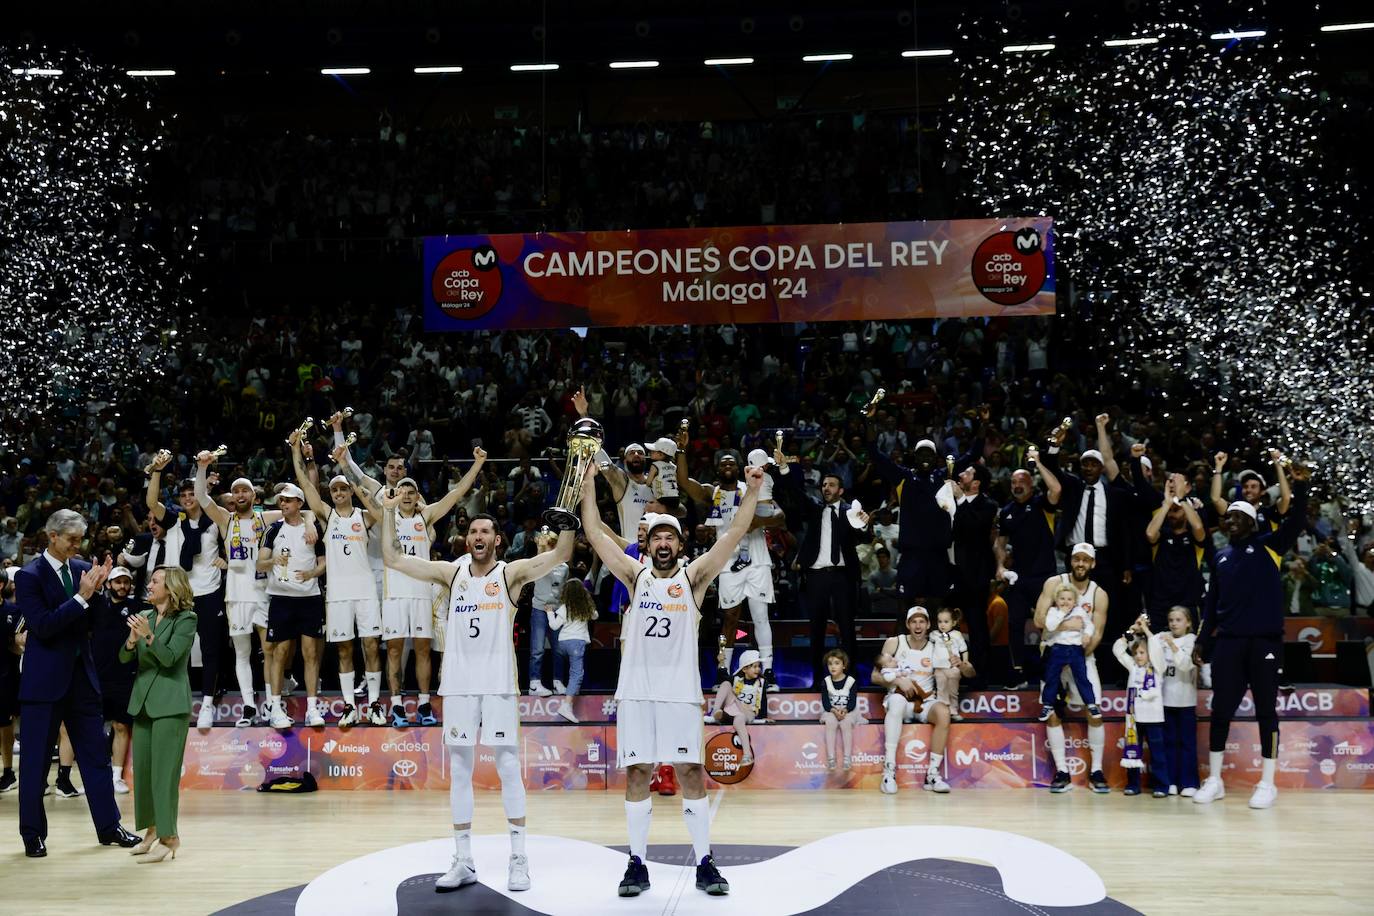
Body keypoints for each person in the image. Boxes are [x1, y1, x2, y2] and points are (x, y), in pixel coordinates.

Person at [582, 462, 766, 899]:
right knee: (637, 772)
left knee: (689, 772)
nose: (663, 543)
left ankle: (704, 860)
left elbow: (734, 534)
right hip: (637, 694)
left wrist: (753, 491)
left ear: (680, 544)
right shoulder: (634, 574)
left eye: (670, 536)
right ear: (646, 544)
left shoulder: (694, 577)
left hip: (681, 694)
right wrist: (588, 484)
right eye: (656, 537)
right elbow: (593, 531)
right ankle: (637, 863)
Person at [378, 492, 573, 895]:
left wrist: (568, 520)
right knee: (461, 771)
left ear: (497, 539)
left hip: (498, 684)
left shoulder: (511, 573)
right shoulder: (452, 573)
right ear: (466, 539)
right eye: (472, 531)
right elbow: (394, 559)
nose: (478, 535)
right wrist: (387, 510)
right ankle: (463, 860)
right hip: (460, 685)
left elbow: (557, 556)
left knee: (506, 768)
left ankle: (518, 858)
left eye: (486, 530)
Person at [15, 509, 140, 858]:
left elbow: (99, 623)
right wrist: (82, 598)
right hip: (43, 683)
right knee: (36, 763)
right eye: (71, 539)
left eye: (80, 539)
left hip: (82, 680)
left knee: (96, 757)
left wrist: (98, 592)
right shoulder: (30, 575)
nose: (77, 545)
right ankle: (32, 834)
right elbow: (41, 626)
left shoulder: (84, 570)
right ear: (51, 536)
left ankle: (109, 826)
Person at [1193, 460, 1309, 809]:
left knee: (1265, 711)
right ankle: (1214, 780)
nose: (1229, 521)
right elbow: (1211, 606)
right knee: (1221, 711)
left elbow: (1297, 519)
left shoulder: (1270, 546)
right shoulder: (1221, 558)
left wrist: (1300, 486)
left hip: (1264, 642)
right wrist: (1203, 641)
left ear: (1252, 521)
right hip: (1228, 643)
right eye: (1227, 518)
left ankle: (1267, 782)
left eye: (1236, 517)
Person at [290, 438, 392, 727]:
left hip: (365, 592)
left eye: (341, 488)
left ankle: (373, 703)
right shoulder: (326, 514)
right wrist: (296, 451)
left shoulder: (363, 515)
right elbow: (305, 485)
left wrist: (352, 480)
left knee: (371, 646)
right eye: (333, 489)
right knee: (344, 649)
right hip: (337, 595)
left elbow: (381, 513)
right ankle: (349, 705)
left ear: (348, 491)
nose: (337, 493)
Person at [677, 440, 787, 687]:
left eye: (731, 462)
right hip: (727, 564)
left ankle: (768, 671)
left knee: (760, 616)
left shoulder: (754, 486)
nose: (727, 465)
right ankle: (723, 670)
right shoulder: (711, 492)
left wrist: (759, 522)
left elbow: (780, 517)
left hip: (757, 560)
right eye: (722, 463)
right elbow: (683, 481)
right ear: (717, 470)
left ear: (740, 467)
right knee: (730, 618)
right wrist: (682, 449)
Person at [121, 566, 197, 863]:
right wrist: (131, 640)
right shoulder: (146, 617)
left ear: (171, 588)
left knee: (163, 776)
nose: (149, 585)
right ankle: (151, 831)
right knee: (144, 774)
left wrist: (149, 637)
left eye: (155, 581)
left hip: (170, 705)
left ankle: (171, 837)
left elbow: (170, 659)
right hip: (142, 703)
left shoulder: (187, 619)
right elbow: (124, 657)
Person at [145, 452, 225, 728]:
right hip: (182, 595)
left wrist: (225, 561)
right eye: (184, 495)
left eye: (193, 493)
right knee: (176, 651)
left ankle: (207, 705)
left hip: (210, 592)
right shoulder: (175, 520)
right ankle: (178, 700)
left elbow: (231, 548)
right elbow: (151, 502)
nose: (188, 498)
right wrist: (156, 472)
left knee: (211, 651)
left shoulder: (214, 520)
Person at [1033, 543, 1111, 794]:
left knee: (1095, 711)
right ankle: (1062, 771)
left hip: (1080, 657)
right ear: (1071, 561)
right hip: (1054, 655)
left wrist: (1075, 655)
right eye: (1077, 559)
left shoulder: (1099, 594)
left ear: (1093, 564)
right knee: (1052, 713)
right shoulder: (1054, 583)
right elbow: (1039, 620)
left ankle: (1097, 770)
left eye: (1085, 560)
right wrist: (1067, 628)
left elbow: (1096, 633)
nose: (1080, 564)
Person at [873, 605, 970, 795]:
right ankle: (889, 772)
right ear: (908, 625)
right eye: (914, 622)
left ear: (927, 625)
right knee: (897, 703)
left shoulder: (937, 646)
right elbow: (875, 676)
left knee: (943, 712)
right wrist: (900, 681)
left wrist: (964, 666)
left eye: (922, 622)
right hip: (899, 699)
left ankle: (932, 775)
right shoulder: (895, 642)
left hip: (925, 701)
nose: (918, 626)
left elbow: (967, 672)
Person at [787, 461, 865, 685]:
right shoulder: (815, 508)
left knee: (847, 628)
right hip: (816, 575)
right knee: (816, 628)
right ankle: (817, 677)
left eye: (831, 485)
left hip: (842, 575)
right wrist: (785, 470)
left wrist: (864, 523)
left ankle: (851, 678)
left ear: (840, 490)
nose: (826, 488)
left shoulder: (850, 511)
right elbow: (795, 491)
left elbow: (863, 536)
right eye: (824, 485)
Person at [256, 484, 327, 729]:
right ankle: (275, 709)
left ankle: (312, 709)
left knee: (310, 654)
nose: (283, 504)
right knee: (279, 653)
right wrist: (273, 559)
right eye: (281, 501)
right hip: (281, 598)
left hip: (309, 598)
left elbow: (323, 563)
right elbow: (260, 564)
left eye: (288, 500)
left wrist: (312, 573)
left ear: (299, 503)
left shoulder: (313, 528)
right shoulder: (273, 530)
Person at [994, 444, 1061, 687]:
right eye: (1013, 483)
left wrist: (1038, 463)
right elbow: (1000, 544)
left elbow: (1056, 488)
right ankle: (1018, 673)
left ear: (1031, 485)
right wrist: (1000, 566)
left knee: (1049, 625)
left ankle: (1051, 675)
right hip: (1020, 578)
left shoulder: (1043, 504)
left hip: (1045, 577)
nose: (1017, 486)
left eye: (1022, 482)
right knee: (1014, 624)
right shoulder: (1007, 512)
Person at [89, 567, 138, 793]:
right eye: (117, 582)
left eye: (126, 582)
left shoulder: (138, 608)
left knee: (121, 725)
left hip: (124, 677)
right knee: (93, 727)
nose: (122, 586)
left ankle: (116, 776)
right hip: (96, 677)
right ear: (109, 584)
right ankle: (95, 775)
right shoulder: (96, 606)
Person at [1141, 468, 1208, 630]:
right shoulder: (1161, 534)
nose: (1172, 514)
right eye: (1171, 511)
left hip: (1188, 604)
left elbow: (1198, 526)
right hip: (1160, 604)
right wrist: (1167, 504)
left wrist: (1182, 499)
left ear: (1186, 512)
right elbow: (1150, 534)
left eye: (1176, 511)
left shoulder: (1194, 537)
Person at [950, 462, 999, 673]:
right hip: (948, 571)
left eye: (968, 472)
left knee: (976, 623)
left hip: (974, 574)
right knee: (945, 623)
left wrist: (961, 498)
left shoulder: (987, 505)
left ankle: (980, 672)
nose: (962, 474)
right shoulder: (949, 499)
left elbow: (975, 529)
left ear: (976, 483)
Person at [1113, 618, 1168, 798]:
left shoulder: (1158, 668)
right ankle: (1133, 784)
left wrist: (1146, 630)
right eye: (1136, 652)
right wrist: (1131, 631)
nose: (1138, 656)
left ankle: (1161, 786)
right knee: (1132, 754)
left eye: (1142, 652)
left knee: (1158, 754)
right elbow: (1118, 650)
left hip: (1153, 718)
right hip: (1134, 719)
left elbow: (1157, 651)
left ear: (1150, 653)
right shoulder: (1133, 667)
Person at [1037, 580, 1102, 724]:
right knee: (1051, 677)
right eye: (1062, 599)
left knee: (1082, 677)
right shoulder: (1053, 612)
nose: (1065, 602)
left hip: (1075, 649)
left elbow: (1089, 626)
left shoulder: (1080, 611)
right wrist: (1062, 613)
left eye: (1069, 599)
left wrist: (1086, 635)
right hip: (1057, 649)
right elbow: (1050, 626)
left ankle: (1090, 703)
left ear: (1075, 601)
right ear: (1056, 600)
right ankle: (1048, 704)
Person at [1156, 606, 1199, 796]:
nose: (1174, 623)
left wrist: (1172, 646)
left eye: (1179, 620)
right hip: (1165, 700)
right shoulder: (1163, 636)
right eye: (1171, 619)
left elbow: (1184, 664)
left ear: (1188, 622)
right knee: (1169, 742)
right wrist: (1142, 628)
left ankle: (1189, 783)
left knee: (1187, 743)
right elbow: (1150, 645)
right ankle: (1170, 782)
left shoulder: (1191, 640)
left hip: (1186, 700)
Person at [546, 577, 596, 723]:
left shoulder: (564, 607)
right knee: (577, 674)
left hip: (562, 643)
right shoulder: (585, 607)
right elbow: (595, 615)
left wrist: (549, 612)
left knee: (574, 673)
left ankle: (571, 691)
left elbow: (554, 626)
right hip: (576, 643)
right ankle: (566, 706)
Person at [705, 649, 766, 766]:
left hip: (747, 712)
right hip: (733, 708)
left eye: (759, 666)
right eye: (754, 666)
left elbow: (763, 701)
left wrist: (763, 717)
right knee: (726, 684)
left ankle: (747, 755)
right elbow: (723, 676)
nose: (758, 669)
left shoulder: (762, 682)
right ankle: (715, 713)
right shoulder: (736, 680)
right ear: (744, 669)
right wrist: (721, 663)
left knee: (739, 718)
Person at [527, 531, 569, 699]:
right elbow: (537, 565)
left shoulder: (564, 567)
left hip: (557, 610)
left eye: (552, 545)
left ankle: (558, 681)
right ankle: (534, 683)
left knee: (559, 649)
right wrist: (541, 547)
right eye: (548, 545)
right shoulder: (539, 563)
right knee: (537, 649)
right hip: (539, 609)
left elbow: (563, 589)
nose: (549, 548)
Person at [819, 649, 857, 772]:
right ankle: (831, 758)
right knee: (830, 723)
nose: (833, 666)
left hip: (848, 711)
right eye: (830, 664)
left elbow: (852, 702)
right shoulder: (826, 682)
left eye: (836, 663)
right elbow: (825, 702)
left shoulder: (851, 681)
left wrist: (845, 711)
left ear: (844, 665)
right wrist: (834, 711)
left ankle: (847, 758)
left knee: (846, 724)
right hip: (831, 711)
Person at [933, 608, 972, 722]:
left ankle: (953, 711)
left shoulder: (957, 635)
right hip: (939, 669)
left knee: (953, 691)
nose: (942, 625)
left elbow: (964, 650)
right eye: (940, 622)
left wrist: (965, 662)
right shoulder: (934, 635)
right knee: (941, 690)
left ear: (954, 623)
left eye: (946, 622)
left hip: (953, 668)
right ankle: (942, 713)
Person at [645, 437, 680, 509]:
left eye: (653, 451)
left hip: (662, 499)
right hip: (675, 498)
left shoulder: (655, 465)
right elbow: (677, 481)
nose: (650, 452)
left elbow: (648, 483)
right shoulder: (674, 466)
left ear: (661, 454)